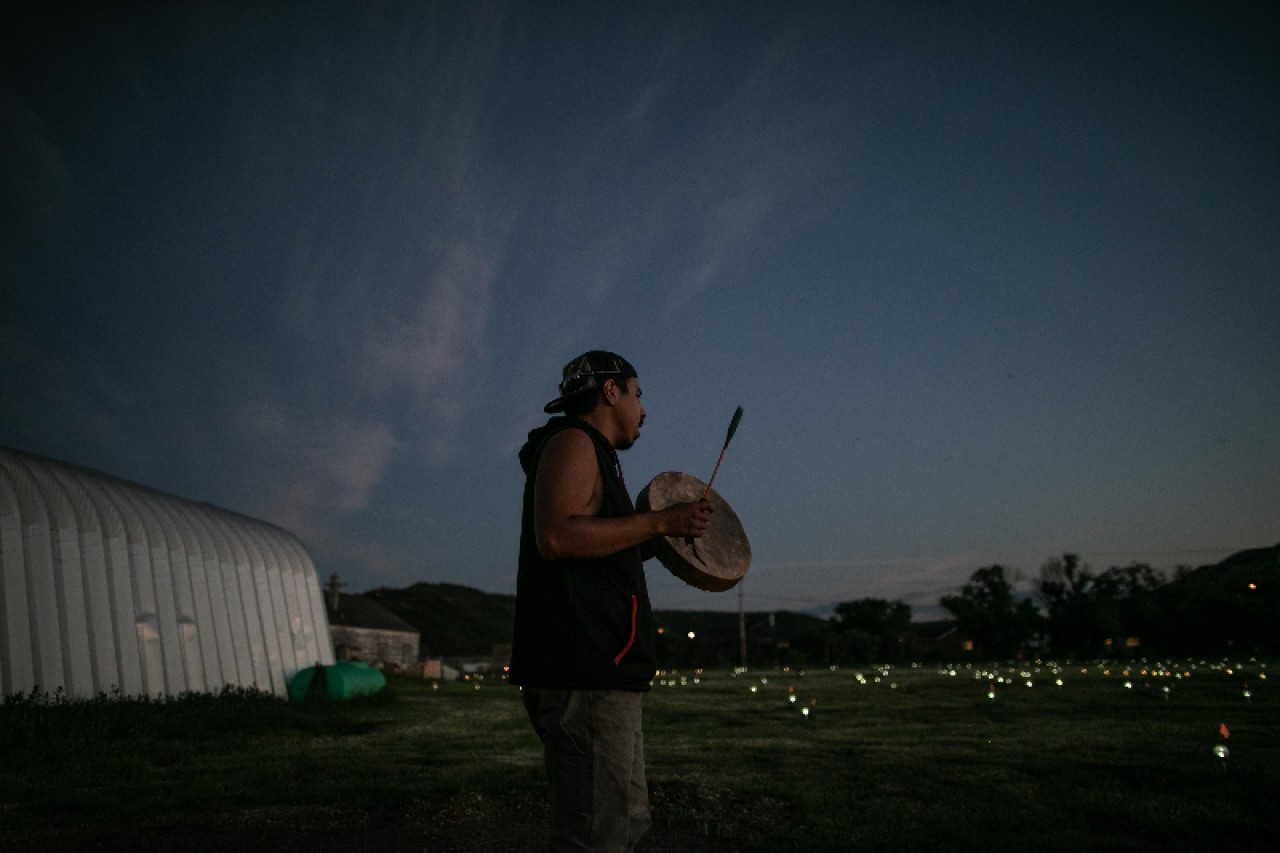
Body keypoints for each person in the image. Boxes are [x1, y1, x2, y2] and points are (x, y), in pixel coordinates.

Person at [511, 350, 713, 852]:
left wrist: (667, 532)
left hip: (603, 671)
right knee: (596, 835)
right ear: (610, 391)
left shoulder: (595, 454)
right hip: (585, 672)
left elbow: (596, 552)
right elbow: (556, 538)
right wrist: (662, 520)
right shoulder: (574, 441)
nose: (644, 410)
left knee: (623, 822)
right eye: (638, 395)